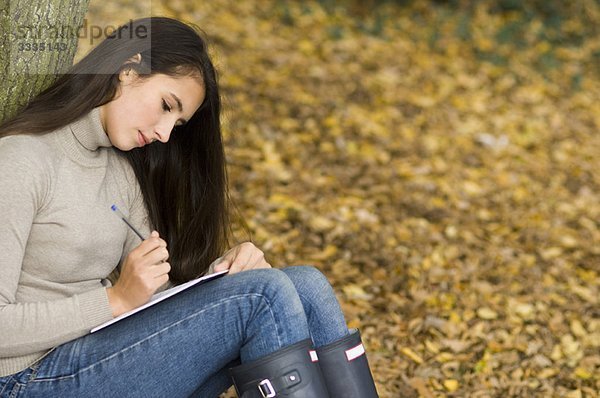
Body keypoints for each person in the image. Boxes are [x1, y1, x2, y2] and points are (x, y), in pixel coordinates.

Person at [0, 17, 378, 397]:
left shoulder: (120, 171)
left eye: (176, 123)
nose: (164, 133)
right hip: (25, 380)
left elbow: (161, 306)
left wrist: (221, 279)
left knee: (304, 285)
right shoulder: (20, 160)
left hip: (94, 357)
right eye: (166, 106)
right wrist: (114, 300)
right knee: (262, 297)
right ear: (128, 70)